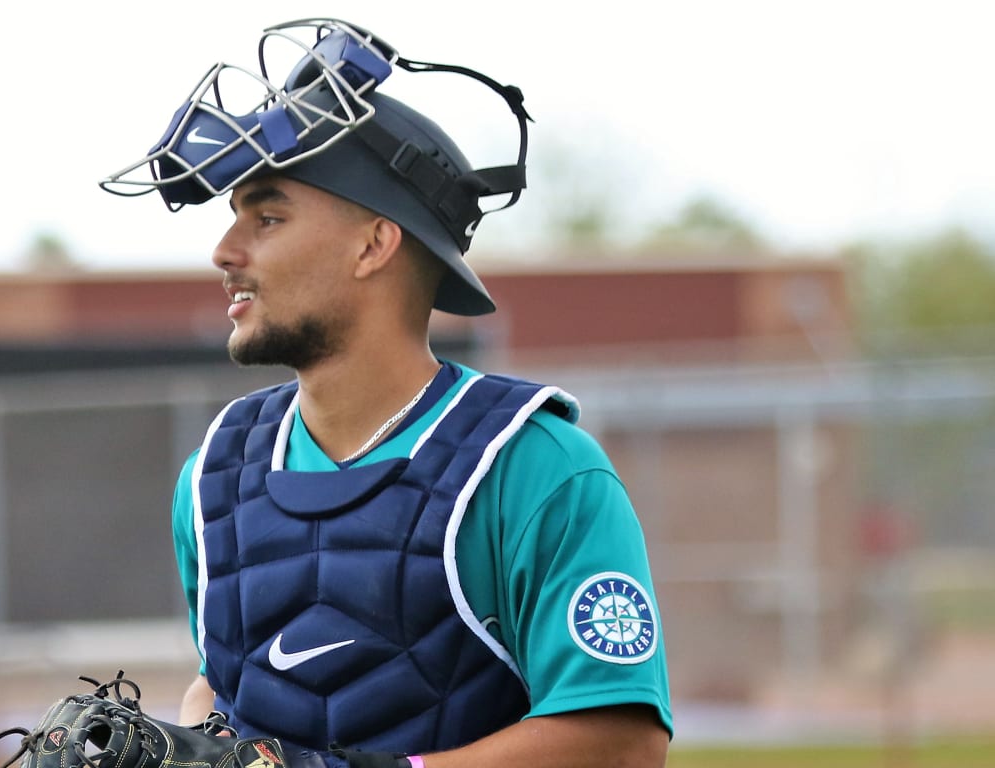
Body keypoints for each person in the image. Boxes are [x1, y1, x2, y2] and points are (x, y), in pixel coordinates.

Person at [104, 18, 672, 768]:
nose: (225, 251)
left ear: (375, 243)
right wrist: (193, 745)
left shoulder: (535, 468)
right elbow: (225, 680)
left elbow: (622, 744)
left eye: (267, 216)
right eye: (232, 217)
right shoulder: (215, 474)